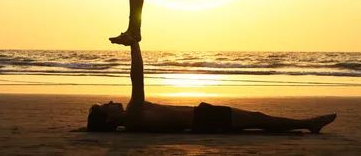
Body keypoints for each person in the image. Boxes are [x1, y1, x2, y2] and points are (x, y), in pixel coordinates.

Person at [88, 42, 337, 133]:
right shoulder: (132, 113)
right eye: (105, 106)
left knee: (259, 121)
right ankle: (308, 123)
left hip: (201, 118)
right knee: (259, 119)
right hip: (203, 118)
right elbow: (138, 77)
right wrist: (134, 45)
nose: (109, 102)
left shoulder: (131, 123)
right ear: (109, 118)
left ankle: (303, 124)